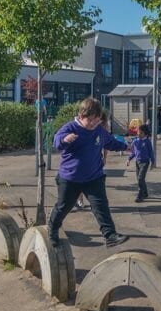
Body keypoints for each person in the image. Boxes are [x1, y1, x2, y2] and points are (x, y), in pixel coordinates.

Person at [49, 97, 129, 248]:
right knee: (63, 207)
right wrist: (65, 140)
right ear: (81, 116)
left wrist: (126, 147)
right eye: (91, 120)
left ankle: (110, 235)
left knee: (101, 206)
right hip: (70, 178)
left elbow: (110, 142)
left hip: (94, 177)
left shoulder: (99, 129)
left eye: (97, 120)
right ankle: (52, 229)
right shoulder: (70, 128)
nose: (94, 123)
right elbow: (57, 142)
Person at [126, 124, 155, 203]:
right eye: (138, 132)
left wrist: (153, 162)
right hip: (137, 162)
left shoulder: (147, 142)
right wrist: (129, 159)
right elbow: (133, 152)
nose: (139, 134)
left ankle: (140, 195)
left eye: (141, 133)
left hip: (145, 162)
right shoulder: (135, 141)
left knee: (140, 178)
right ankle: (145, 193)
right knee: (140, 179)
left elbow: (151, 152)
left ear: (145, 134)